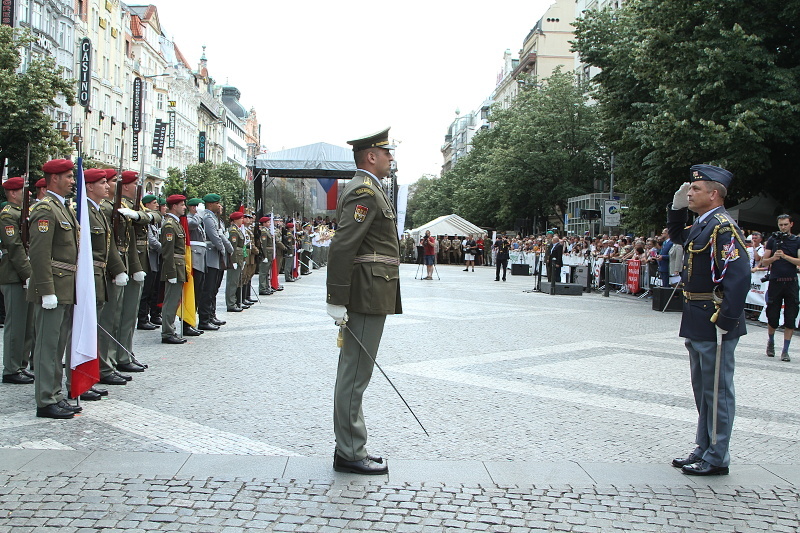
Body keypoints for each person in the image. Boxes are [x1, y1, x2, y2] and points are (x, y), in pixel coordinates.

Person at [326, 128, 401, 475]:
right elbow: (343, 245)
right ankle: (350, 450)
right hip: (367, 292)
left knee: (356, 371)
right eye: (386, 152)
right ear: (371, 156)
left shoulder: (369, 188)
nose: (390, 157)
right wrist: (336, 299)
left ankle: (352, 446)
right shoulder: (364, 190)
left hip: (372, 290)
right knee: (355, 373)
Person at [667, 164, 749, 476]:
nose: (690, 192)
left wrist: (725, 320)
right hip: (698, 317)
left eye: (696, 189)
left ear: (714, 194)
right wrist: (676, 209)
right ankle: (703, 447)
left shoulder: (722, 227)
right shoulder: (704, 224)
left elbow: (738, 276)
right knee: (703, 389)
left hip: (714, 319)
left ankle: (717, 456)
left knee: (717, 390)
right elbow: (677, 236)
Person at [27, 159, 81, 419]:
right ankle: (45, 399)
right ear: (54, 178)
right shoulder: (45, 209)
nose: (72, 181)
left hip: (65, 286)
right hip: (53, 288)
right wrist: (46, 289)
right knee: (47, 347)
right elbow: (39, 254)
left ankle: (55, 393)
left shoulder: (63, 208)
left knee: (58, 344)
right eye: (69, 177)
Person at [77, 168, 127, 400]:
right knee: (86, 330)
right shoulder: (82, 211)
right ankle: (80, 377)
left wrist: (119, 269)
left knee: (99, 326)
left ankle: (95, 372)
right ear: (89, 186)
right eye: (103, 183)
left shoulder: (96, 211)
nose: (108, 187)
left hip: (100, 275)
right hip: (88, 276)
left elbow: (108, 246)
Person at [0, 177, 35, 384]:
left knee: (28, 323)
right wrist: (28, 274)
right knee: (17, 324)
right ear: (13, 193)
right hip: (14, 275)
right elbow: (14, 247)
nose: (28, 194)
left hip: (24, 273)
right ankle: (11, 368)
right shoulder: (7, 215)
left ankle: (21, 364)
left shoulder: (23, 213)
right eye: (24, 190)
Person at [761, 215, 800, 362]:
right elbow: (764, 261)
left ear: (791, 224)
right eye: (780, 225)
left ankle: (785, 350)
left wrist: (785, 257)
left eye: (785, 224)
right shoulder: (773, 240)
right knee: (772, 314)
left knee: (791, 316)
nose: (783, 227)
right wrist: (774, 259)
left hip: (791, 282)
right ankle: (770, 342)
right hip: (775, 281)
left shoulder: (797, 241)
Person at [199, 194, 232, 329]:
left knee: (214, 289)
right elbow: (215, 237)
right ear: (210, 204)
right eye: (217, 203)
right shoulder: (208, 218)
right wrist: (224, 250)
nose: (220, 206)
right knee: (208, 289)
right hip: (211, 257)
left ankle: (211, 315)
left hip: (217, 257)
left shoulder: (215, 218)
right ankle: (204, 319)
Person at [160, 195, 188, 344]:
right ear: (174, 206)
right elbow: (167, 251)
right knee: (170, 301)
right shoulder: (170, 225)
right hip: (173, 267)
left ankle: (170, 329)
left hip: (179, 266)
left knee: (174, 300)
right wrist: (170, 272)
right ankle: (167, 332)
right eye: (182, 205)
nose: (184, 207)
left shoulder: (176, 223)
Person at [226, 211, 246, 312]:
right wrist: (233, 261)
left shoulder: (237, 230)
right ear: (235, 220)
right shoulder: (233, 231)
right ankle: (231, 304)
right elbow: (232, 247)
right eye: (240, 218)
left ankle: (234, 302)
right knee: (232, 282)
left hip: (239, 258)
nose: (242, 220)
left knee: (236, 281)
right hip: (235, 259)